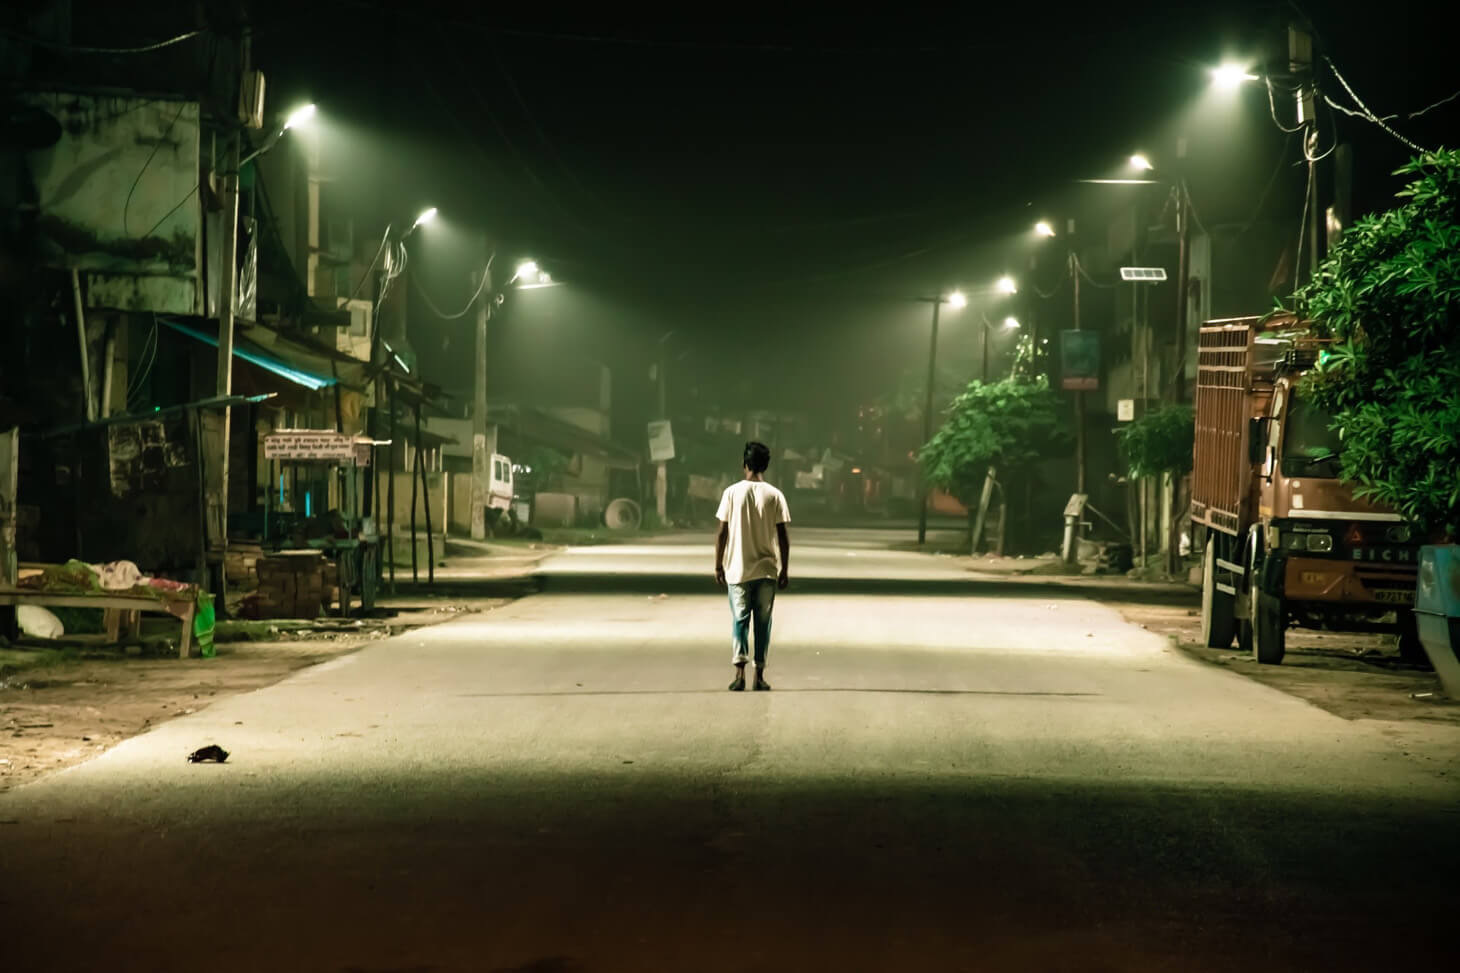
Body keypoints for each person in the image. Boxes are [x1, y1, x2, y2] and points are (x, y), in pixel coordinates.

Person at [714, 441, 790, 691]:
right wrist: (785, 569)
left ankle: (739, 675)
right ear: (765, 466)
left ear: (744, 464)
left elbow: (722, 532)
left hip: (737, 570)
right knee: (763, 625)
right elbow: (783, 537)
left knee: (740, 621)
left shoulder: (731, 493)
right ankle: (759, 677)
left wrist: (718, 565)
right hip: (767, 571)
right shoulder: (775, 495)